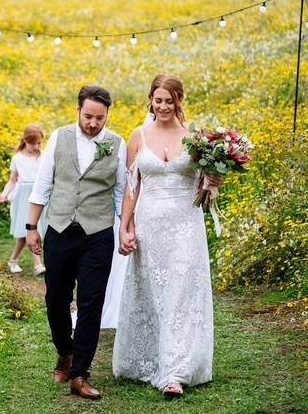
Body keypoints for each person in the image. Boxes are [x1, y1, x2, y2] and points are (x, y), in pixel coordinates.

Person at [112, 75, 220, 398]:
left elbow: (205, 190)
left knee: (180, 296)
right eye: (157, 100)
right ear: (151, 100)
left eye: (168, 101)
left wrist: (214, 180)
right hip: (150, 226)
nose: (162, 107)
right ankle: (150, 359)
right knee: (154, 295)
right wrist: (125, 226)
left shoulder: (195, 138)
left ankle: (174, 372)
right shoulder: (137, 136)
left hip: (186, 226)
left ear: (178, 101)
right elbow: (132, 187)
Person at [25, 85, 126, 401]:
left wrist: (125, 229)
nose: (94, 123)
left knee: (91, 303)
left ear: (107, 114)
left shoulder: (117, 144)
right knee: (55, 298)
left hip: (98, 233)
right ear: (78, 110)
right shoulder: (59, 137)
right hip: (60, 227)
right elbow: (43, 185)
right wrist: (31, 227)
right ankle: (64, 351)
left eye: (100, 118)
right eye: (88, 116)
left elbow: (121, 193)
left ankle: (80, 374)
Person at [0, 124, 47, 275]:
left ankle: (19, 260)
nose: (37, 146)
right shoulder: (17, 158)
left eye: (39, 143)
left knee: (35, 231)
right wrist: (4, 195)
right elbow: (12, 180)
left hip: (39, 195)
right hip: (24, 197)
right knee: (28, 231)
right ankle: (33, 263)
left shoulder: (43, 156)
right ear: (25, 140)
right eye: (34, 143)